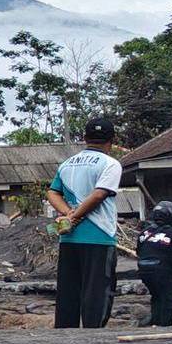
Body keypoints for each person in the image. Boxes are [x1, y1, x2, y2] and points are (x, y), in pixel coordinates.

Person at [47, 118, 123, 328]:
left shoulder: (67, 164)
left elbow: (52, 192)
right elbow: (99, 195)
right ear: (111, 141)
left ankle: (65, 331)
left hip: (68, 237)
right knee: (97, 289)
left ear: (84, 138)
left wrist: (67, 214)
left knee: (68, 289)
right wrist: (74, 216)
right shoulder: (111, 164)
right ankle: (93, 335)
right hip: (99, 236)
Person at [137, 200, 172, 327]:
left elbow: (139, 250)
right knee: (167, 297)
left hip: (144, 270)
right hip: (162, 270)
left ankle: (155, 320)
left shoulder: (145, 232)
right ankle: (165, 324)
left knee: (156, 295)